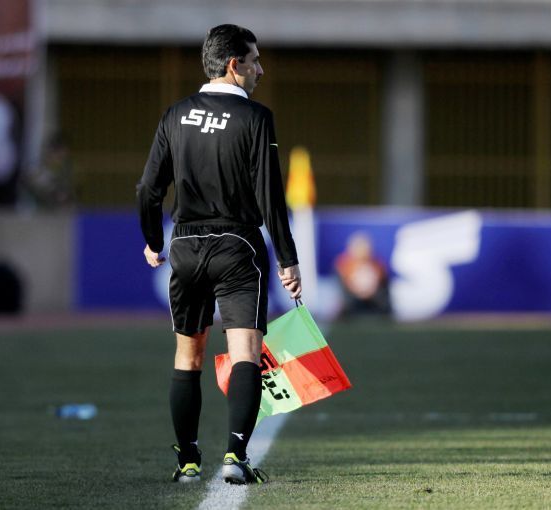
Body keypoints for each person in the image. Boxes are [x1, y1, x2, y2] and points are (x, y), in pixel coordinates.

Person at [137, 24, 301, 485]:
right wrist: (288, 259)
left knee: (187, 356)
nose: (260, 70)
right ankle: (235, 456)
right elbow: (270, 197)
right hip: (238, 246)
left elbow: (148, 189)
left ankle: (187, 462)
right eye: (255, 61)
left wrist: (153, 241)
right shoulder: (256, 118)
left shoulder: (175, 114)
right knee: (245, 351)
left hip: (185, 246)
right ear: (234, 65)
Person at [334, 231, 391, 317]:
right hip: (350, 315)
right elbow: (343, 302)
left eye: (364, 250)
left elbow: (386, 305)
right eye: (358, 249)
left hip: (375, 314)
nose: (362, 254)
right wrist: (355, 289)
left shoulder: (379, 268)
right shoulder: (342, 268)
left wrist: (372, 292)